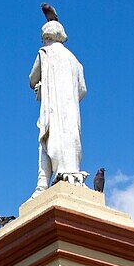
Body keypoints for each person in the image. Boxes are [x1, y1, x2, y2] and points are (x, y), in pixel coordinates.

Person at [29, 17, 87, 196]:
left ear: (46, 37)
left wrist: (42, 87)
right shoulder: (75, 61)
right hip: (70, 112)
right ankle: (70, 175)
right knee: (71, 141)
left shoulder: (44, 53)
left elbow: (32, 79)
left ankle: (43, 185)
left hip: (53, 110)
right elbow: (82, 90)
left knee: (47, 140)